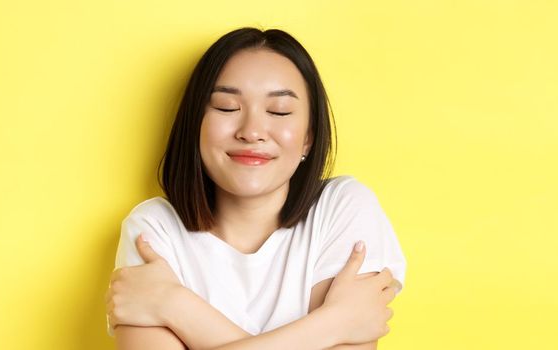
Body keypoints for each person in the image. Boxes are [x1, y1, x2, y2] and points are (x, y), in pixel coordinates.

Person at [105, 27, 407, 349]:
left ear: (308, 137)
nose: (252, 132)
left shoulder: (343, 208)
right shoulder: (154, 230)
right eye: (226, 107)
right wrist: (335, 323)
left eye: (279, 112)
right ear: (196, 126)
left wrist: (174, 304)